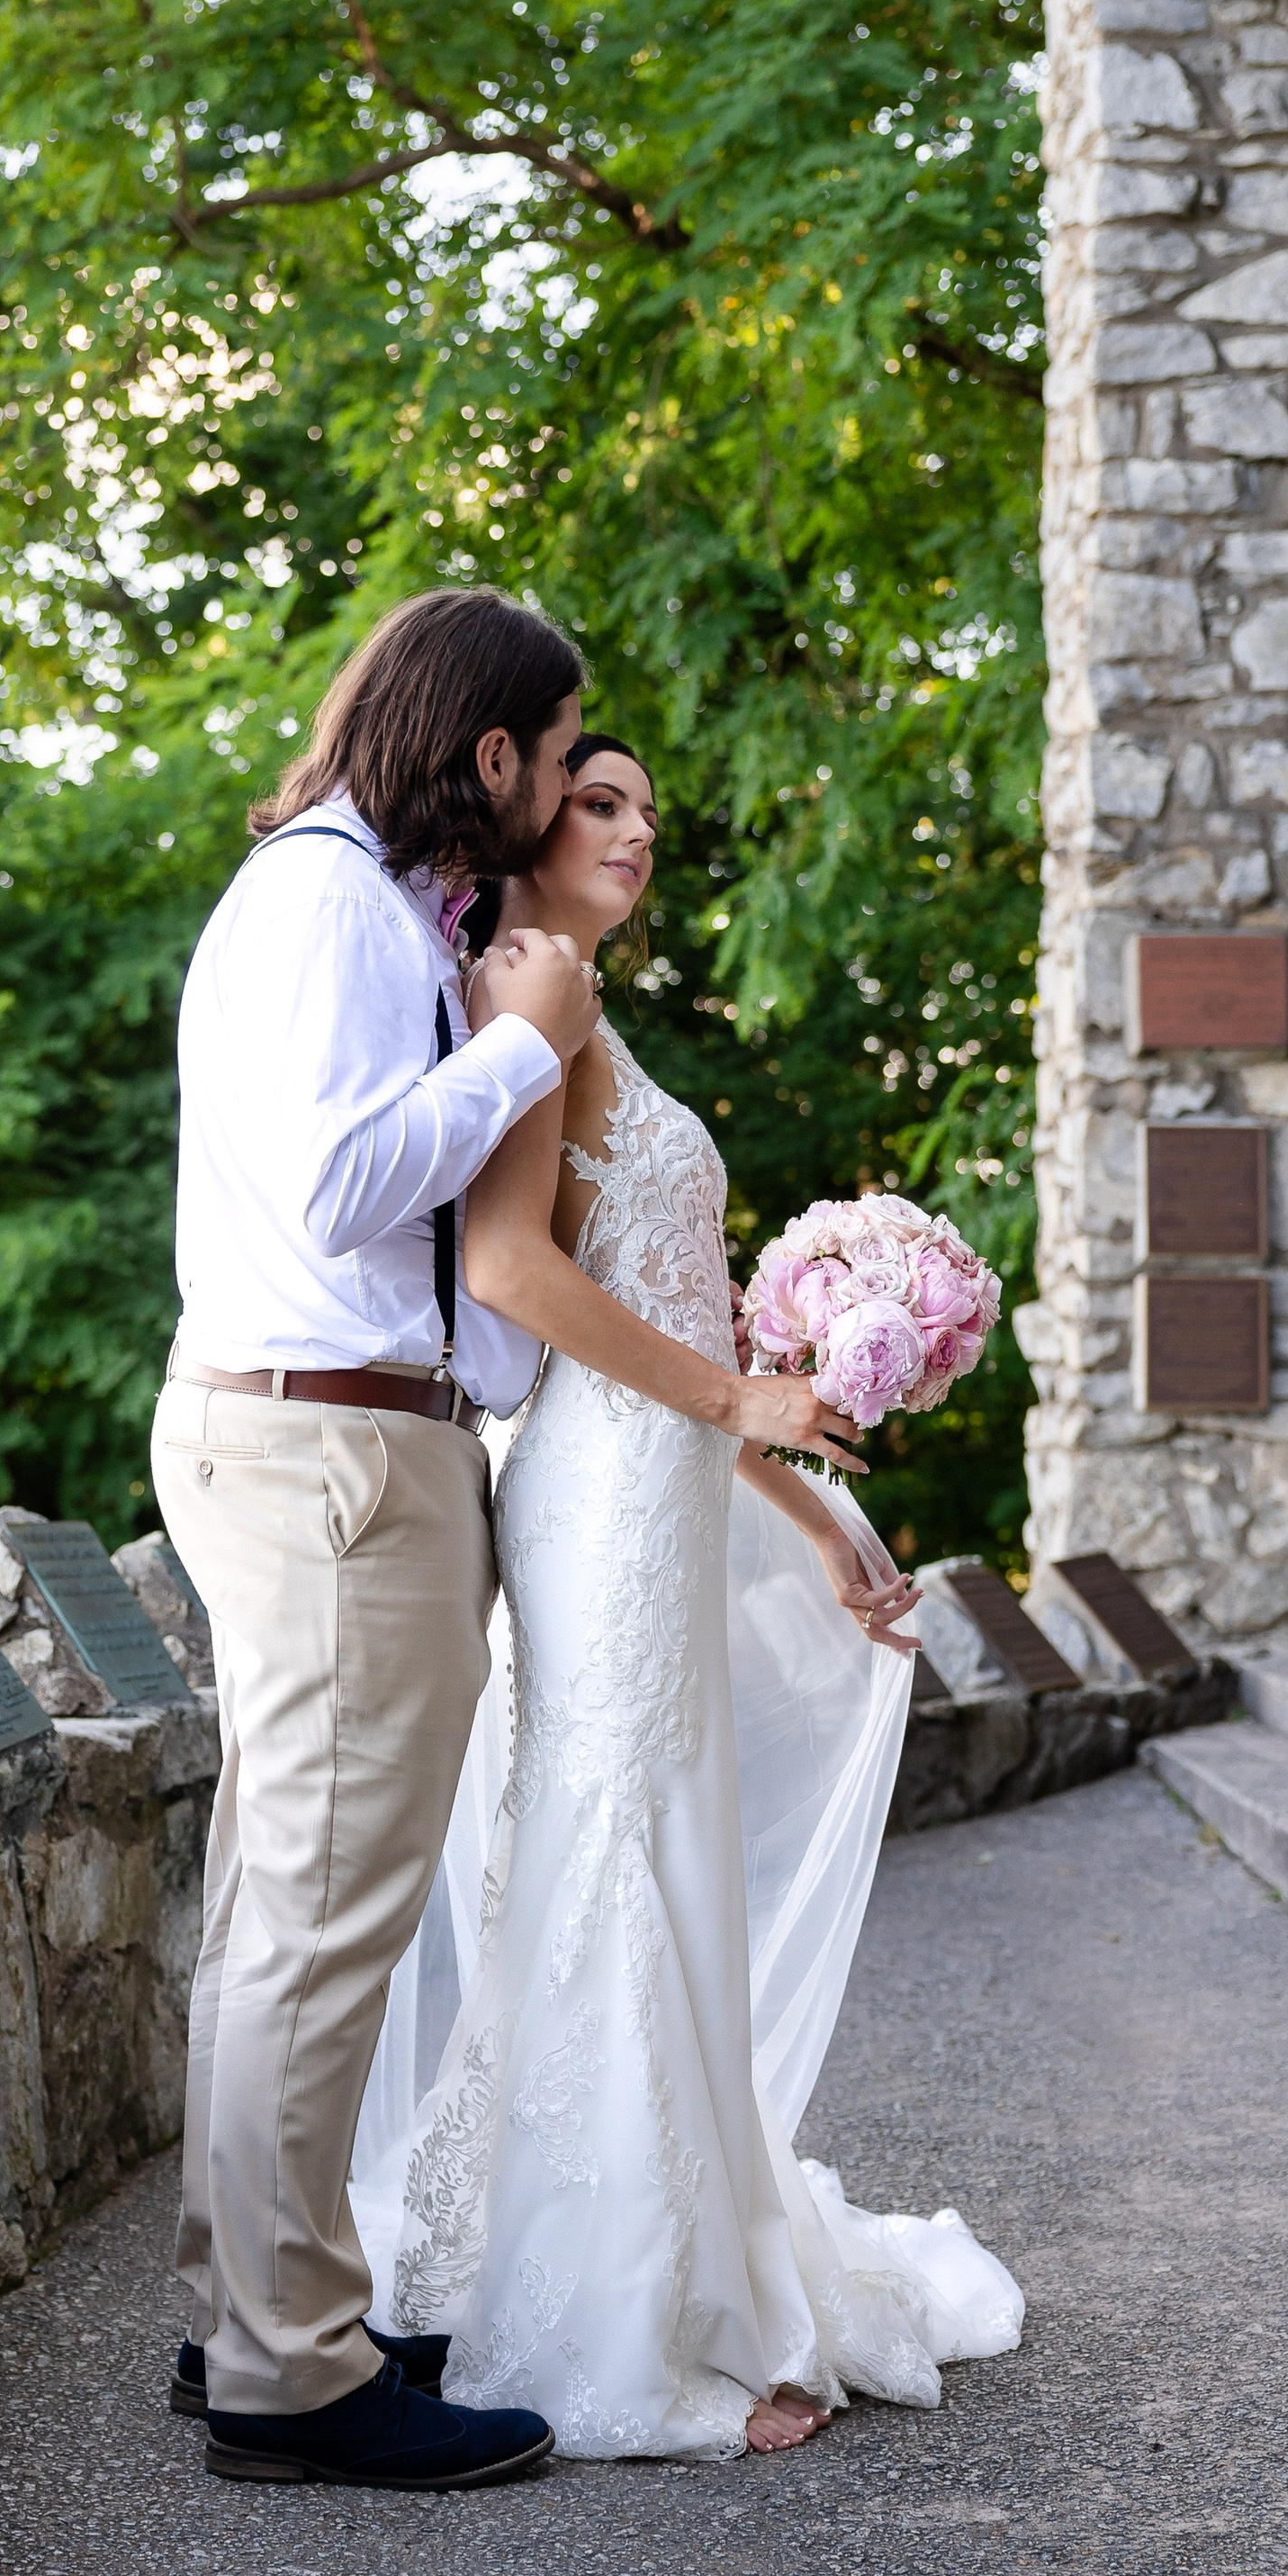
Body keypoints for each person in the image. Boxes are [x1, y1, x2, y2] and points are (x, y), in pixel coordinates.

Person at [153, 598, 854, 2491]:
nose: (576, 797)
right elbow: (352, 1185)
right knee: (320, 1924)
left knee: (271, 1917)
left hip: (343, 1432)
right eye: (560, 759)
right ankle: (286, 2381)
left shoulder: (377, 912)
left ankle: (249, 2313)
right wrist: (519, 1047)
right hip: (319, 1449)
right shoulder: (325, 909)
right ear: (489, 760)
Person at [352, 736, 1026, 2460]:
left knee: (648, 1846)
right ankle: (614, 2322)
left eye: (651, 808)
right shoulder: (534, 993)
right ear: (524, 822)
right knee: (608, 1846)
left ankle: (666, 2265)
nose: (641, 830)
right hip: (592, 1497)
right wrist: (747, 1405)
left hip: (653, 1484)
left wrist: (805, 1513)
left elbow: (673, 1317)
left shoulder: (581, 1000)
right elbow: (510, 1274)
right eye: (602, 804)